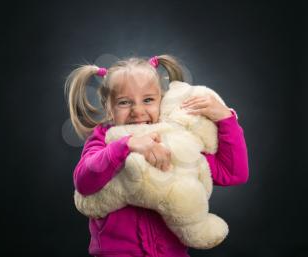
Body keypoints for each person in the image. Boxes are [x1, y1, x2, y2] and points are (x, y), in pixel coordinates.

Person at [64, 54, 249, 257]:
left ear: (162, 100)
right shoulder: (104, 139)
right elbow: (83, 181)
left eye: (148, 100)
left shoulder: (174, 138)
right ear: (108, 107)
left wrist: (226, 119)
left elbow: (233, 173)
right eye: (124, 102)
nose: (138, 110)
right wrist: (125, 145)